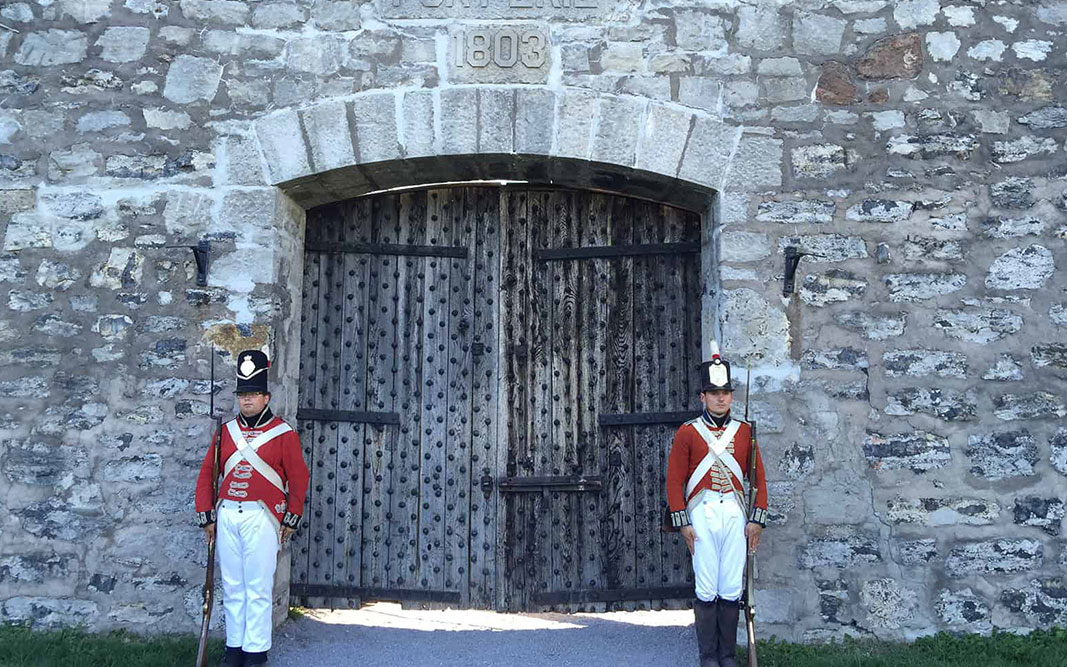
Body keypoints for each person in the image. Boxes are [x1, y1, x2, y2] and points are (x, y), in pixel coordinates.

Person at [195, 349, 310, 666]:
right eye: (243, 394)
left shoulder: (283, 433)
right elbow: (208, 473)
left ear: (266, 397)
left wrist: (292, 515)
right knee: (232, 587)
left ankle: (256, 652)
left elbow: (299, 477)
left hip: (263, 516)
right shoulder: (226, 432)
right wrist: (207, 513)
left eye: (254, 394)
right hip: (228, 513)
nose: (247, 400)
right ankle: (234, 649)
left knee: (258, 588)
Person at [665, 342, 768, 667]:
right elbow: (674, 481)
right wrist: (683, 522)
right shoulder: (688, 433)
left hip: (736, 515)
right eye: (714, 392)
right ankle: (708, 657)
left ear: (732, 397)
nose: (721, 398)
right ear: (703, 397)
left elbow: (759, 480)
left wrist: (757, 519)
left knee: (731, 586)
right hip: (703, 514)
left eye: (725, 392)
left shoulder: (745, 432)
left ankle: (727, 656)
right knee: (707, 585)